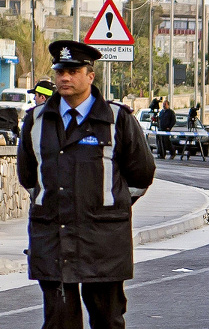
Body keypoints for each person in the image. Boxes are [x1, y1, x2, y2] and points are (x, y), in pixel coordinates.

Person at [17, 40, 155, 329]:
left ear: (90, 76)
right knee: (59, 322)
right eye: (60, 71)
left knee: (107, 320)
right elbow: (29, 178)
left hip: (102, 241)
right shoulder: (36, 121)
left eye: (73, 71)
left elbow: (141, 174)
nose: (64, 78)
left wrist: (108, 204)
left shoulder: (117, 119)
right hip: (52, 236)